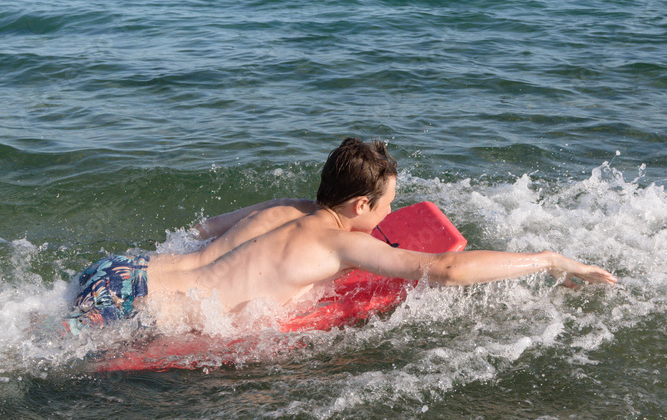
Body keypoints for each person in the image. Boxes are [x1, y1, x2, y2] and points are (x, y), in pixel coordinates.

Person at [62, 138, 617, 335]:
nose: (389, 213)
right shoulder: (340, 240)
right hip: (135, 316)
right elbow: (445, 270)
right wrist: (549, 260)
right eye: (387, 205)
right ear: (359, 205)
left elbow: (199, 234)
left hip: (123, 273)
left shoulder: (286, 207)